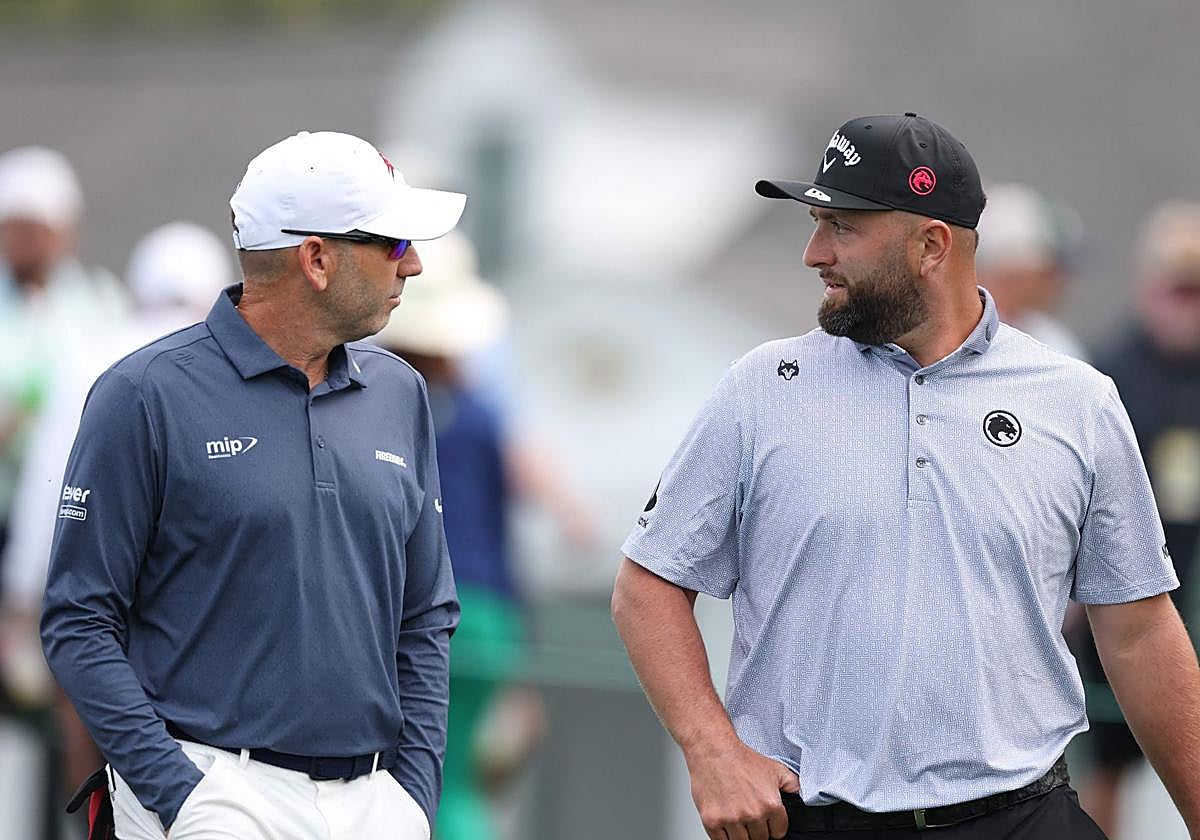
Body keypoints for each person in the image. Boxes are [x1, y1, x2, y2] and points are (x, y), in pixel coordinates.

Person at [610, 112, 1200, 840]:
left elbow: (1139, 630)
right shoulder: (762, 388)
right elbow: (647, 587)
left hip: (1022, 819)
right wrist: (712, 751)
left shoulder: (1077, 401)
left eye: (843, 227)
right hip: (812, 822)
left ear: (931, 245)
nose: (813, 253)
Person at [40, 131, 465, 840]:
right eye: (392, 244)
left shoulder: (401, 393)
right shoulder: (143, 395)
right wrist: (181, 796)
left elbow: (425, 613)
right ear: (317, 259)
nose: (413, 264)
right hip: (209, 791)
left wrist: (414, 793)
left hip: (374, 805)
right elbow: (77, 621)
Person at [1074, 201, 1200, 836]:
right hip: (1127, 593)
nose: (1188, 307)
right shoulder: (1105, 372)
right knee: (1105, 763)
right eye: (1178, 289)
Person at [975, 182, 1088, 359]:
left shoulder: (1054, 340)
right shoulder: (951, 343)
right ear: (1011, 272)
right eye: (1048, 272)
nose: (1059, 282)